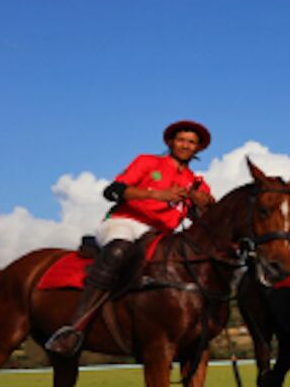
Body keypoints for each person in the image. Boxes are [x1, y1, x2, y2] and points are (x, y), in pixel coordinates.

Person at [46, 120, 215, 356]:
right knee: (118, 251)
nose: (185, 145)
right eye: (181, 140)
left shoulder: (198, 183)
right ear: (170, 142)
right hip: (124, 223)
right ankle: (75, 328)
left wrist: (205, 203)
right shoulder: (147, 162)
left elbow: (209, 222)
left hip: (161, 236)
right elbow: (113, 191)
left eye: (191, 142)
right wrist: (156, 194)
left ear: (198, 149)